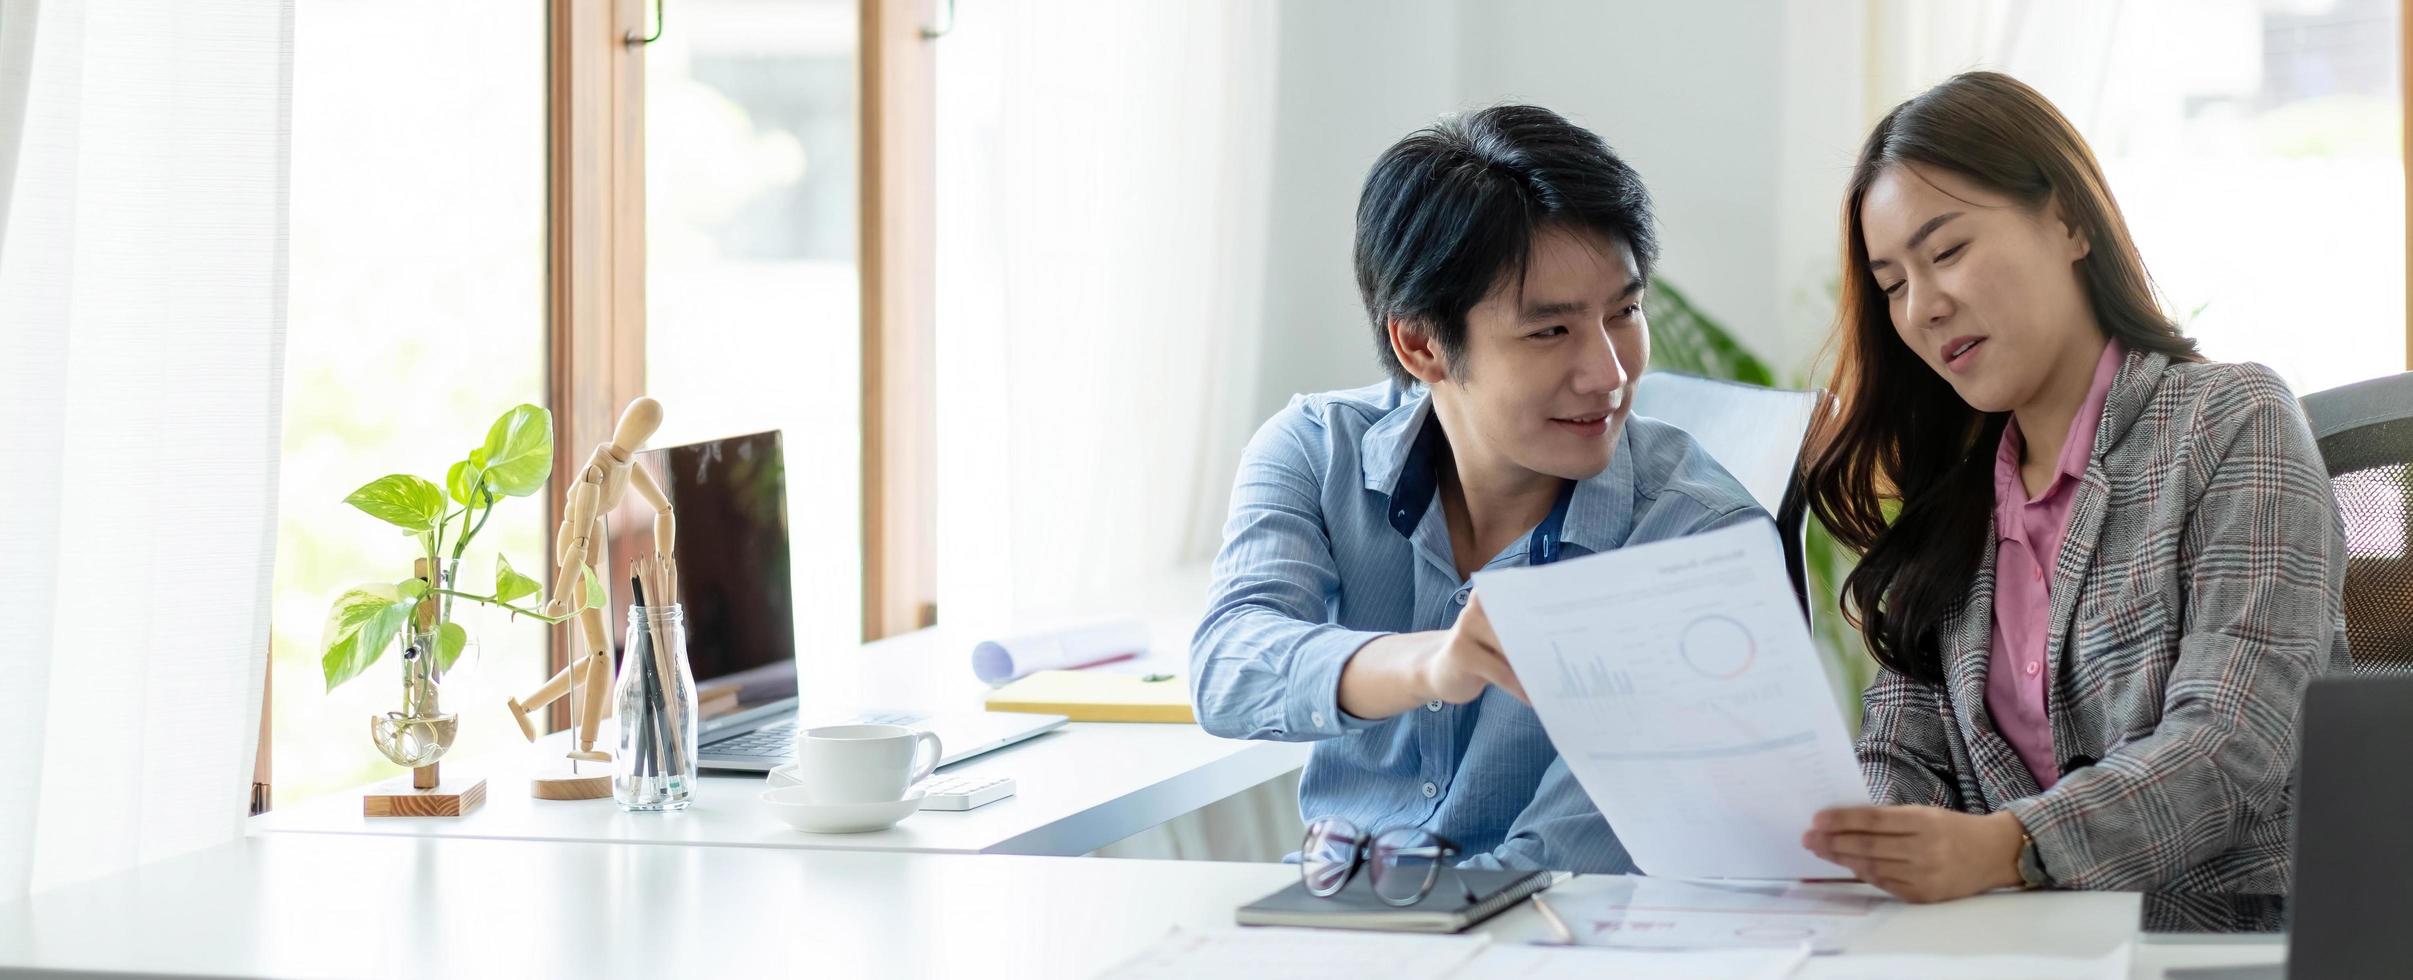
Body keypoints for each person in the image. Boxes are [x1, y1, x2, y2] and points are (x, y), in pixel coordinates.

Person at [1796, 71, 2350, 902]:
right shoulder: (1952, 501)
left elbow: (2234, 738)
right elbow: (1898, 755)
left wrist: (2006, 849)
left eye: (1946, 252)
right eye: (1892, 285)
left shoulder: (2229, 420)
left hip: (2229, 941)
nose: (1923, 308)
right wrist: (1876, 849)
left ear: (2067, 221)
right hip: (2019, 948)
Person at [1189, 104, 1765, 872]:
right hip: (1344, 923)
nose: (1611, 373)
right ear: (1421, 343)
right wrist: (1428, 666)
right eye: (1549, 331)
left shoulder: (1695, 538)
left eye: (1624, 312)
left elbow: (1564, 862)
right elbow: (1228, 668)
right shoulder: (1314, 450)